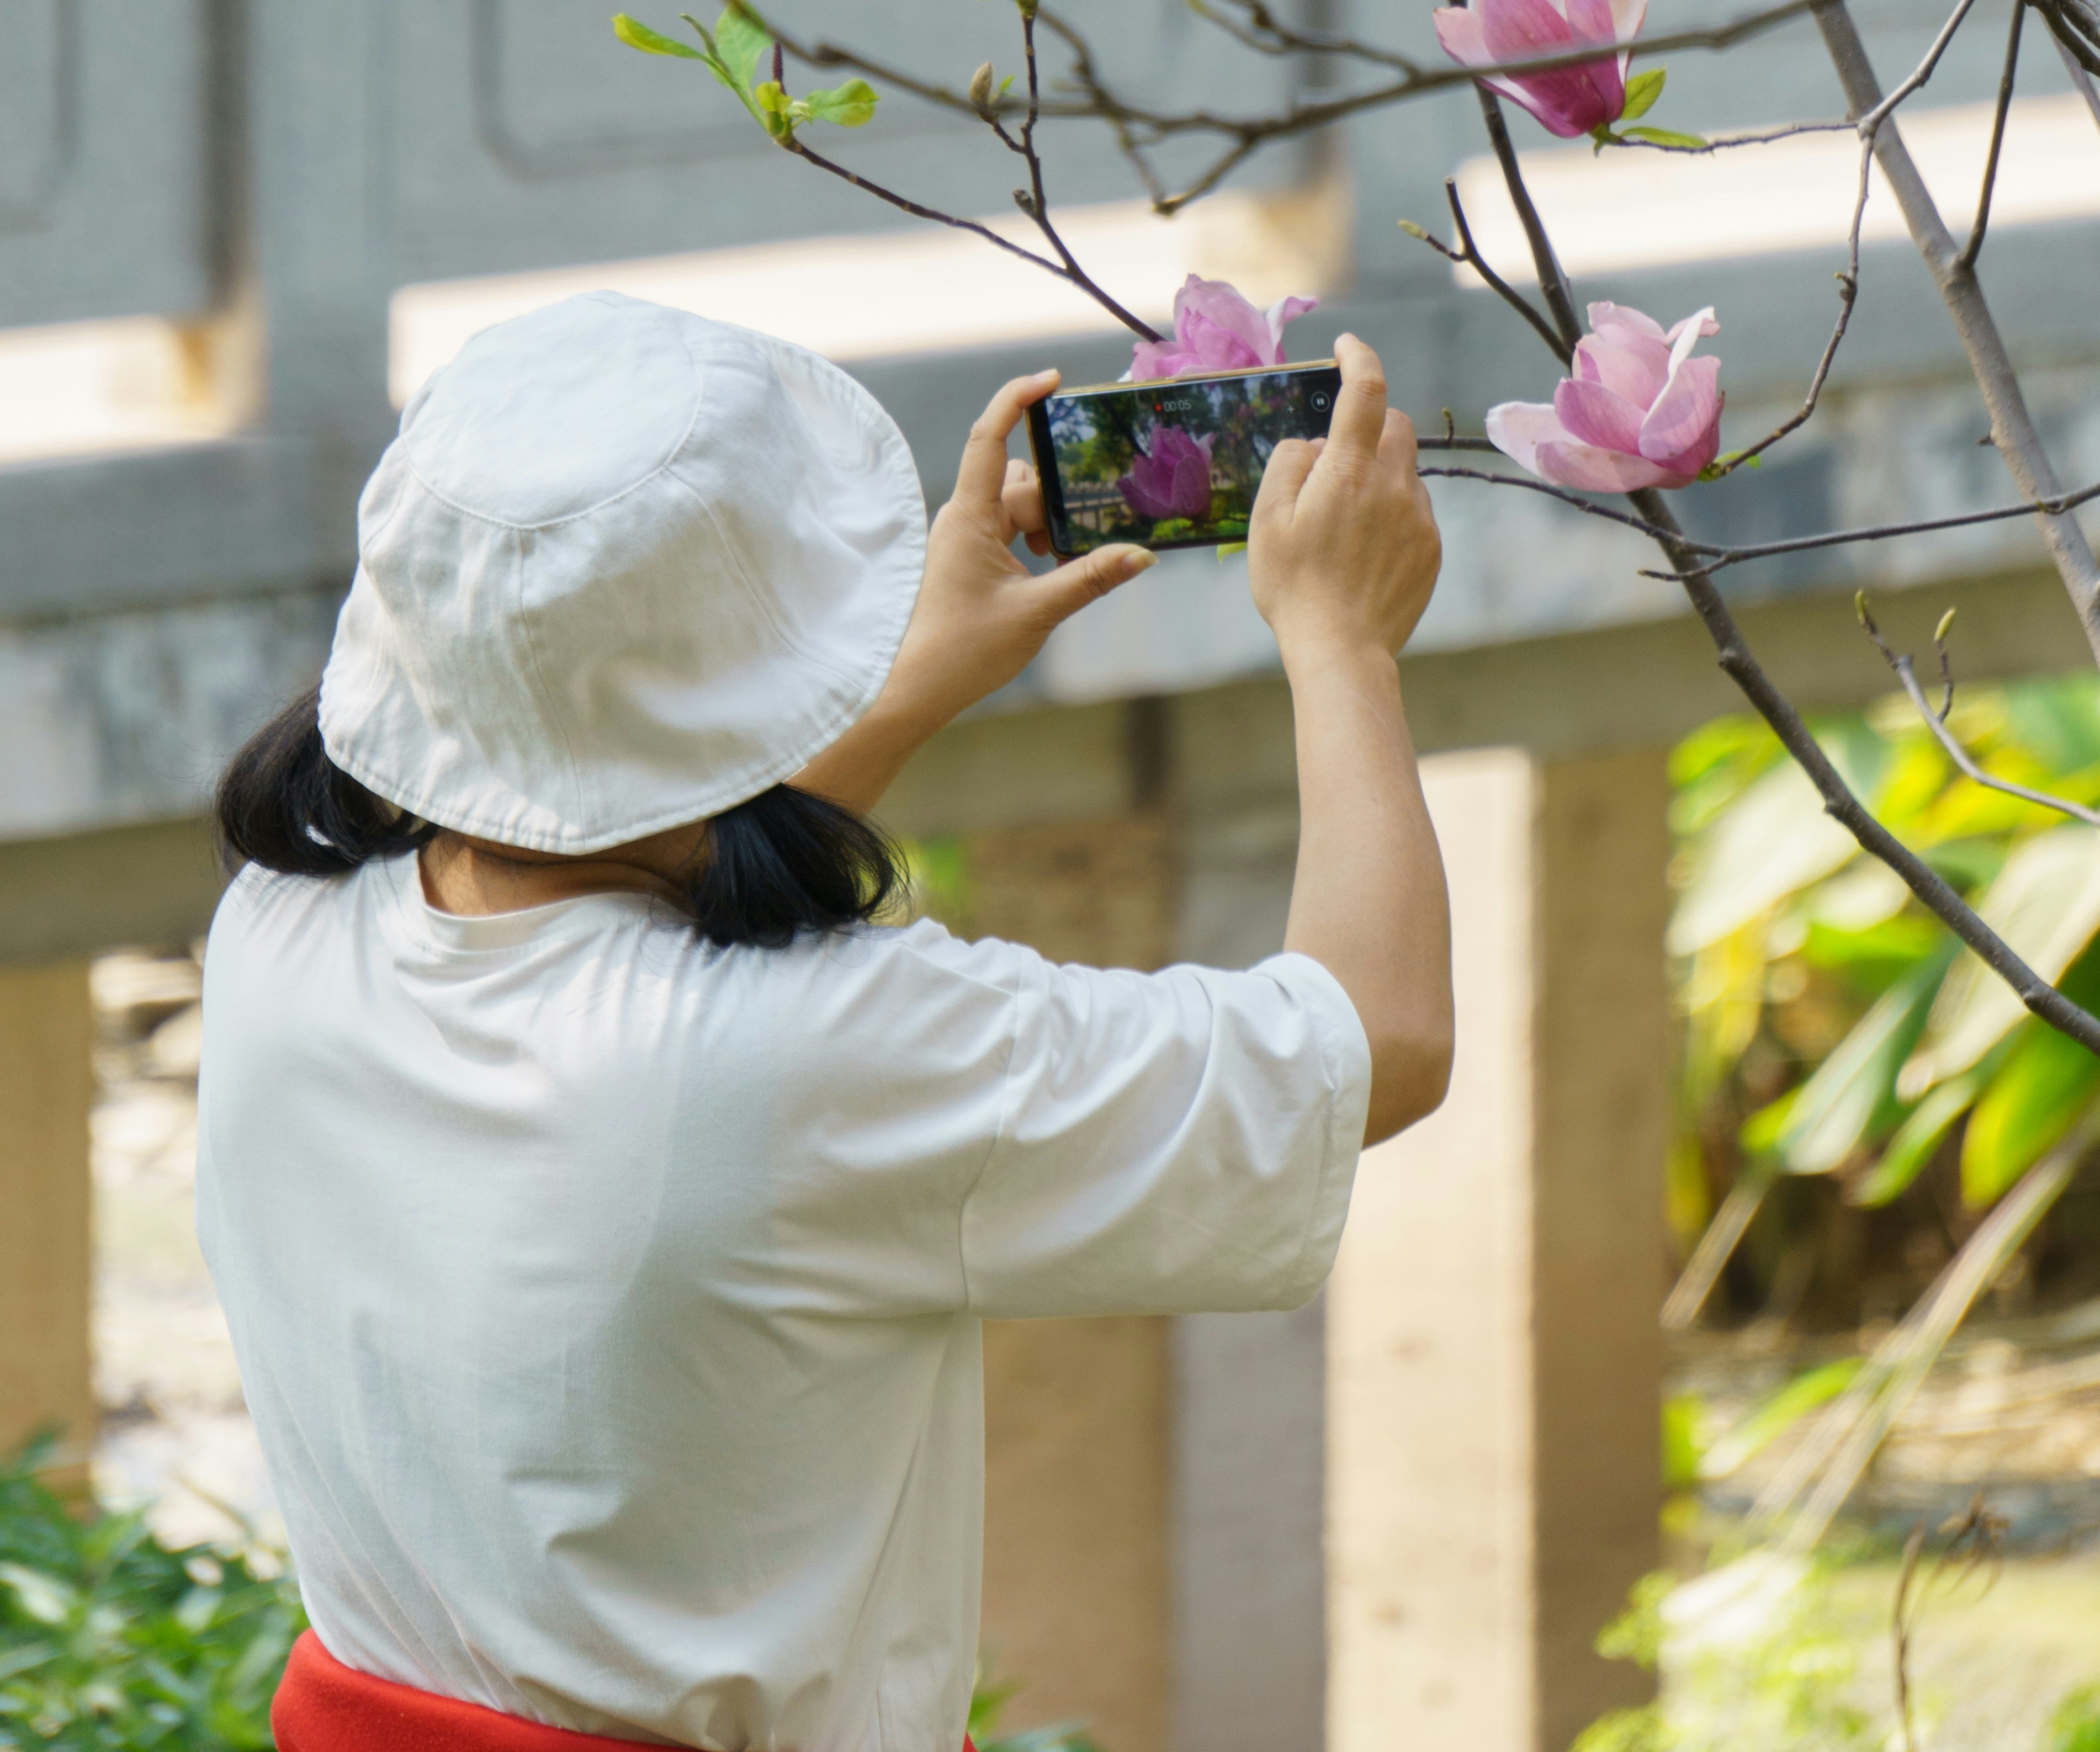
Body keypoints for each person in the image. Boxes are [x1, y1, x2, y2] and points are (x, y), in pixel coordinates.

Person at [199, 288, 1450, 1752]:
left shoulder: (281, 931)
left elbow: (609, 900)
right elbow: (1374, 1045)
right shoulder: (823, 1051)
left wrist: (912, 684)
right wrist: (1341, 643)